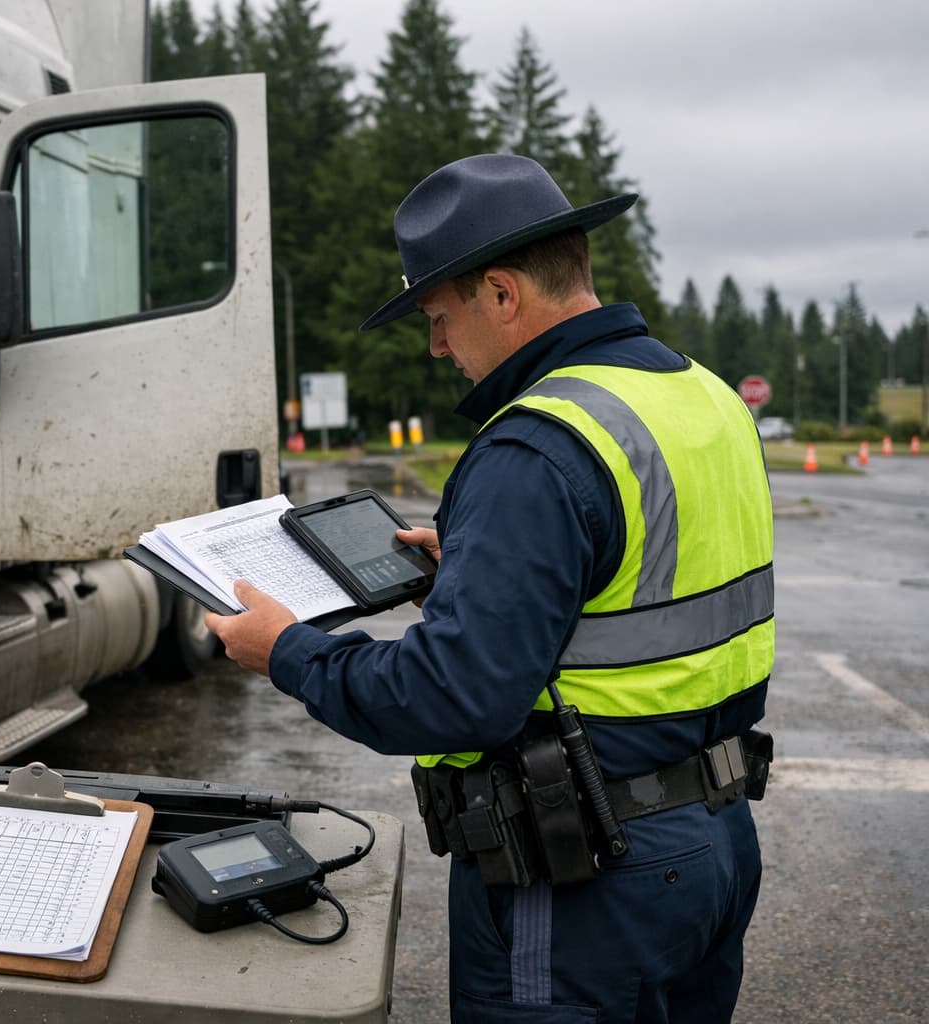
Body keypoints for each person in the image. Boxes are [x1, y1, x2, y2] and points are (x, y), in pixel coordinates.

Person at [205, 154, 773, 1023]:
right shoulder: (702, 396)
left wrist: (287, 652)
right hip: (713, 844)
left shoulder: (535, 446)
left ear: (502, 296)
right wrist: (486, 569)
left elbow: (449, 699)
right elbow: (645, 581)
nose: (437, 347)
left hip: (586, 872)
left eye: (439, 316)